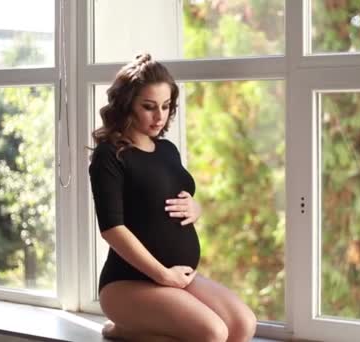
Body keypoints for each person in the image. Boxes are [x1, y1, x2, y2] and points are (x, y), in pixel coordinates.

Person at [88, 53, 257, 342]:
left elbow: (175, 199)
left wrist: (196, 208)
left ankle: (136, 331)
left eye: (166, 106)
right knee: (212, 333)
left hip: (177, 278)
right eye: (149, 107)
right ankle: (128, 330)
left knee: (243, 324)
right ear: (127, 105)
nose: (160, 116)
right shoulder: (110, 155)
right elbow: (112, 230)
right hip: (128, 283)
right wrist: (163, 276)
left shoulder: (167, 150)